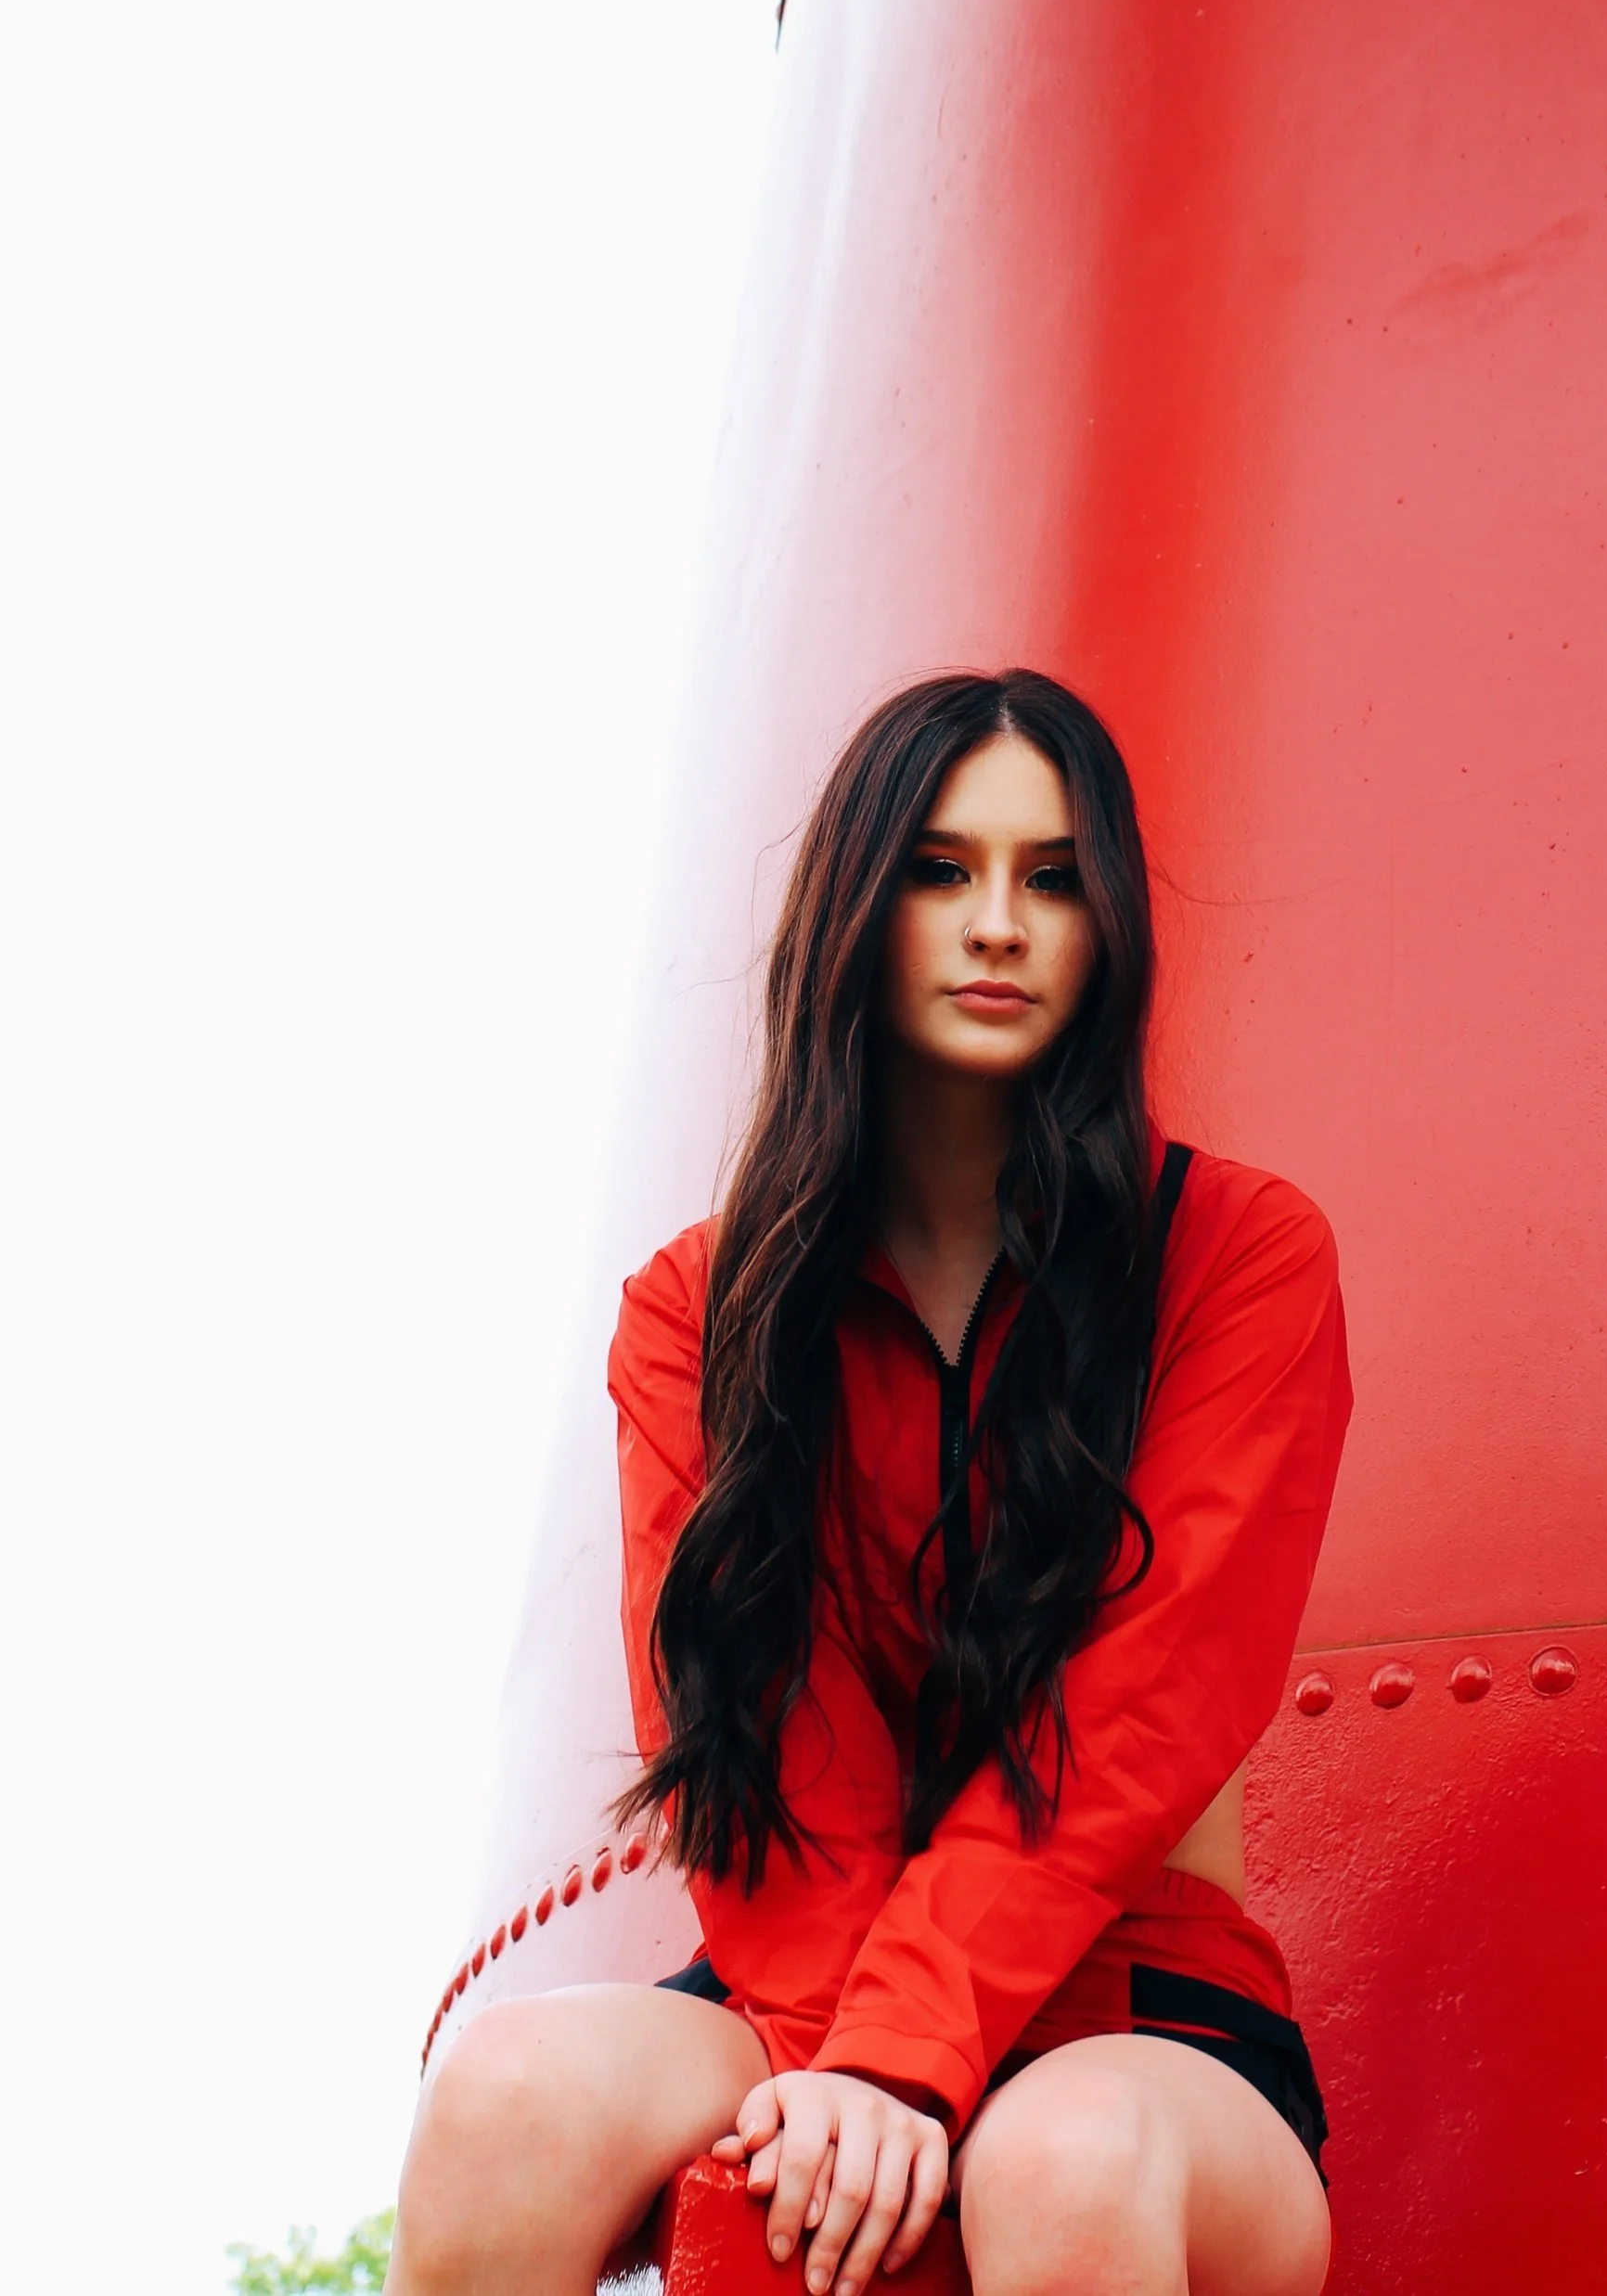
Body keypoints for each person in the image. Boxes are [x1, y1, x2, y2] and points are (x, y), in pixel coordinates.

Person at [388, 669, 1351, 2296]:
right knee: (503, 2095)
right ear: (854, 902)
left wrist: (907, 2052)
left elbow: (1144, 1707)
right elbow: (749, 1725)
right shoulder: (695, 1312)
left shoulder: (1240, 1255)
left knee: (1063, 2160)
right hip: (802, 1968)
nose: (998, 922)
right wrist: (855, 2057)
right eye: (938, 867)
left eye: (1052, 877)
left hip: (1140, 2001)